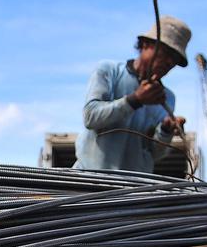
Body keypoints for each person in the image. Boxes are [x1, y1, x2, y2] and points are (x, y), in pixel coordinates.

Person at [73, 15, 189, 174]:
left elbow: (154, 153)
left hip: (132, 191)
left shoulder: (167, 98)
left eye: (175, 60)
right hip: (90, 180)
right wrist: (135, 100)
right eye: (166, 53)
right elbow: (91, 117)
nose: (169, 63)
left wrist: (166, 130)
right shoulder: (109, 71)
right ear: (146, 44)